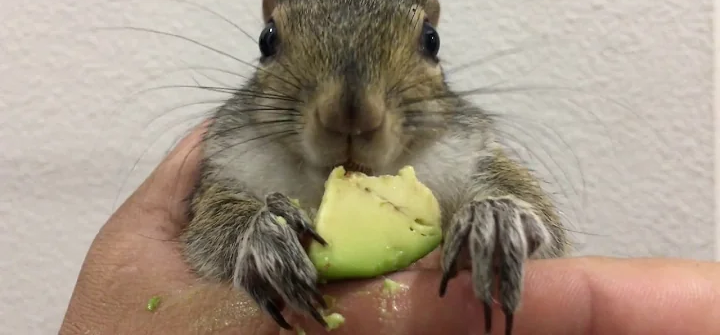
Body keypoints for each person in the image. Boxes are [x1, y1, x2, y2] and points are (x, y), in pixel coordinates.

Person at [59, 124, 720, 335]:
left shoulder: (460, 152)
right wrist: (249, 231)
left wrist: (497, 217)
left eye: (422, 47)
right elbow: (206, 236)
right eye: (277, 48)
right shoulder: (240, 157)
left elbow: (537, 222)